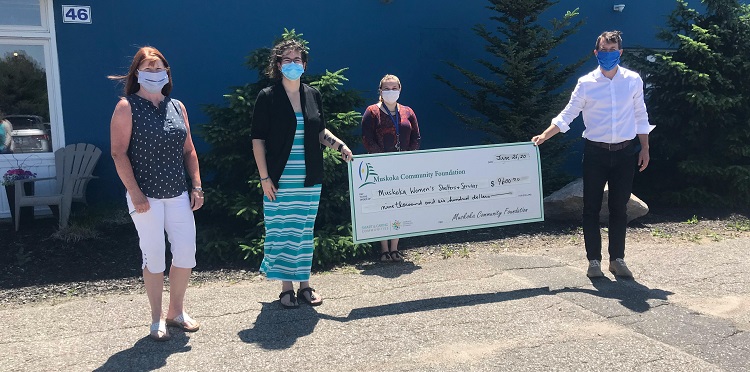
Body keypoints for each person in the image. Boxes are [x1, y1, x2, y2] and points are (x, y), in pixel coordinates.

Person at [531, 30, 654, 279]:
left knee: (619, 208)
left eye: (613, 50)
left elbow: (641, 114)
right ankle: (594, 261)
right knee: (591, 208)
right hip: (596, 153)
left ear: (619, 52)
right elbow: (568, 115)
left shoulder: (633, 80)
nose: (608, 54)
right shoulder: (586, 83)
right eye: (603, 50)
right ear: (596, 53)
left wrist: (645, 148)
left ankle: (617, 259)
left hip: (625, 153)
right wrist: (544, 135)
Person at [110, 46, 204, 341]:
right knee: (154, 257)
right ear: (136, 73)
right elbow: (118, 153)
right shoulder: (127, 106)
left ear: (167, 73)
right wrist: (135, 193)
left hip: (177, 193)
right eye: (148, 69)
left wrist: (197, 185)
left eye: (159, 68)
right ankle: (156, 319)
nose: (154, 74)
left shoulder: (178, 107)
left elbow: (189, 150)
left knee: (186, 253)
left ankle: (175, 312)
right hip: (145, 196)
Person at [251, 39, 353, 309]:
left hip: (309, 177)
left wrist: (340, 145)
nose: (293, 64)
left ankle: (305, 285)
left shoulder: (313, 94)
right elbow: (258, 140)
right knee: (281, 230)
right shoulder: (267, 97)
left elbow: (320, 132)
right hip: (279, 178)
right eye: (287, 59)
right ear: (278, 64)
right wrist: (265, 178)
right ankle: (286, 288)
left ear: (305, 65)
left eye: (298, 60)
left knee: (304, 231)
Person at [361, 74, 421, 262]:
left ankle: (395, 248)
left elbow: (416, 137)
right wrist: (382, 159)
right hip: (380, 169)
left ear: (400, 90)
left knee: (399, 206)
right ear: (380, 91)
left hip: (402, 168)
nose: (391, 92)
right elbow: (367, 138)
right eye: (387, 88)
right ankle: (384, 249)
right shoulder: (372, 111)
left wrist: (407, 157)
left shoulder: (408, 112)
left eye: (394, 88)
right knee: (382, 206)